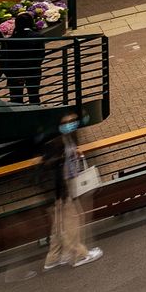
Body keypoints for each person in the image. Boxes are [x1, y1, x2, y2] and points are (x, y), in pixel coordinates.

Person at [42, 111, 102, 269]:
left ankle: (54, 257)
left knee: (59, 223)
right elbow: (54, 166)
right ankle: (79, 255)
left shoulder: (66, 139)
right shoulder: (57, 143)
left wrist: (74, 153)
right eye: (67, 122)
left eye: (73, 121)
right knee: (72, 220)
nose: (71, 124)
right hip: (61, 188)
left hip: (60, 187)